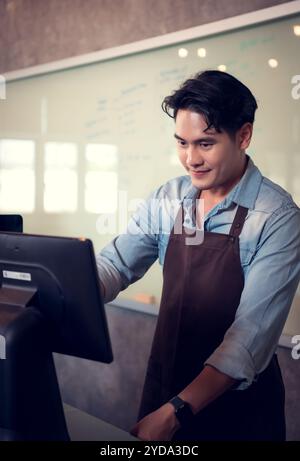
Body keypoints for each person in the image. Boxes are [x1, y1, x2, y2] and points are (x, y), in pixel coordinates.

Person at [97, 70, 300, 441]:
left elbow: (246, 342)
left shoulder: (278, 217)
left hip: (237, 411)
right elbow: (115, 265)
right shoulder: (169, 198)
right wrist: (67, 288)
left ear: (243, 135)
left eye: (205, 144)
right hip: (168, 386)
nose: (191, 159)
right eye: (182, 143)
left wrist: (177, 411)